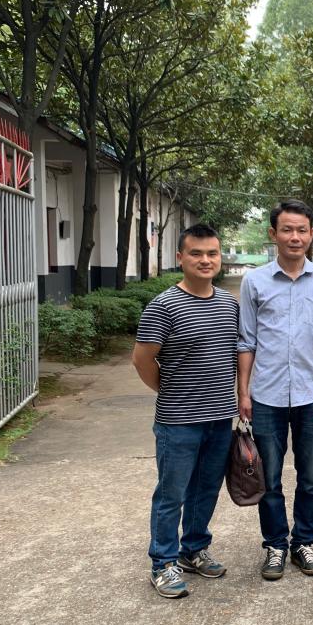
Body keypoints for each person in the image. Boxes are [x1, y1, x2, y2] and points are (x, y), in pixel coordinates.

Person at [133, 224, 239, 599]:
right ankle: (162, 563)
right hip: (178, 421)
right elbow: (142, 360)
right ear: (180, 258)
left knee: (205, 490)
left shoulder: (229, 304)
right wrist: (169, 391)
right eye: (196, 253)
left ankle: (193, 549)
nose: (205, 260)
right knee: (171, 495)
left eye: (212, 253)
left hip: (220, 418)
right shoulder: (163, 306)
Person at [238, 200, 313, 580]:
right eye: (287, 230)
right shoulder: (254, 281)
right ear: (273, 234)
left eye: (301, 230)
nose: (294, 237)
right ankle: (276, 545)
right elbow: (246, 340)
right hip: (267, 395)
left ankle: (304, 542)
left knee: (310, 475)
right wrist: (244, 391)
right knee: (270, 477)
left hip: (312, 395)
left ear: (312, 234)